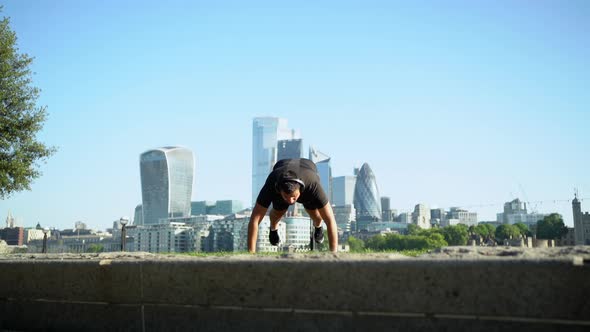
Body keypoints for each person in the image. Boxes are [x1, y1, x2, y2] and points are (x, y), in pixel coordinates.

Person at [248, 158, 338, 253]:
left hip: (308, 171)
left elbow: (330, 220)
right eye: (286, 197)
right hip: (281, 169)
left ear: (300, 190)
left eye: (294, 197)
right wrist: (251, 253)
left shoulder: (313, 185)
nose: (291, 201)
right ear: (280, 191)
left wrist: (334, 253)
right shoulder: (271, 183)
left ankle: (318, 227)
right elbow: (255, 219)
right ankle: (273, 228)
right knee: (277, 213)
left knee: (316, 215)